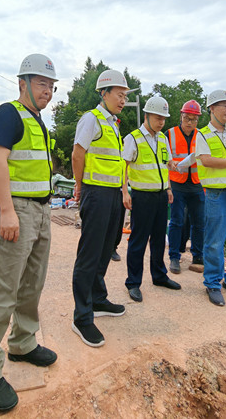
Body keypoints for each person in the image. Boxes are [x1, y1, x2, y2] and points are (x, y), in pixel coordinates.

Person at [0, 53, 59, 412]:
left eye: (51, 86)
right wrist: (6, 211)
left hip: (41, 211)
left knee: (31, 285)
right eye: (41, 84)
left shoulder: (39, 122)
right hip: (17, 212)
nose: (48, 92)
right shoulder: (8, 114)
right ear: (22, 83)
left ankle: (23, 343)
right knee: (3, 290)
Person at [177, 90, 226, 307]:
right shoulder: (202, 134)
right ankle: (213, 283)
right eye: (223, 106)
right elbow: (207, 160)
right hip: (216, 194)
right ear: (212, 108)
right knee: (214, 242)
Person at [71, 69, 129, 348]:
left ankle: (97, 298)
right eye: (119, 95)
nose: (123, 100)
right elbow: (78, 153)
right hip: (95, 193)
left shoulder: (114, 124)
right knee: (89, 253)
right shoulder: (91, 119)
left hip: (113, 194)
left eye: (125, 96)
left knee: (108, 247)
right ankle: (82, 316)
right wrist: (79, 187)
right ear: (104, 94)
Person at [122, 96, 181, 302]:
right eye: (158, 118)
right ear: (147, 115)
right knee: (138, 240)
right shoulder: (134, 138)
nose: (161, 122)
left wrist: (170, 188)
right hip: (142, 197)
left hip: (161, 195)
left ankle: (159, 276)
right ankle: (133, 283)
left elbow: (166, 164)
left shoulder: (163, 138)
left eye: (164, 118)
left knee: (158, 239)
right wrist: (124, 192)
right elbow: (124, 167)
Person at [166, 100, 205, 275]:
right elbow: (164, 158)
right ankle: (174, 256)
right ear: (181, 117)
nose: (190, 122)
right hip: (177, 183)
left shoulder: (202, 136)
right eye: (187, 118)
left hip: (197, 185)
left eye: (194, 119)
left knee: (199, 223)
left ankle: (198, 255)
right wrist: (172, 164)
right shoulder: (170, 134)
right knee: (176, 221)